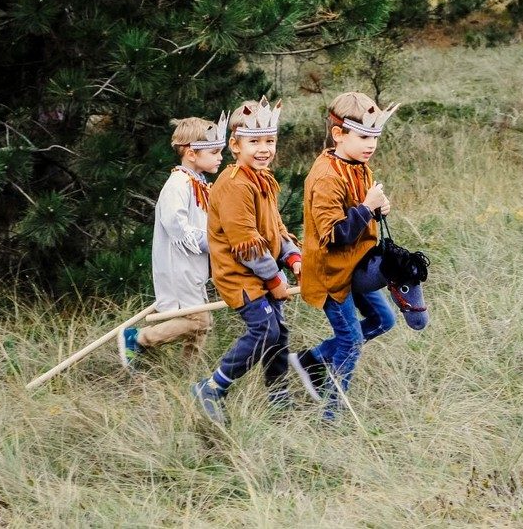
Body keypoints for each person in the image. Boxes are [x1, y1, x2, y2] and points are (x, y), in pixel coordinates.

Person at [191, 97, 302, 423]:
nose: (264, 148)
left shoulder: (262, 178)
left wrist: (293, 256)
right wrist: (274, 279)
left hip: (261, 270)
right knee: (264, 329)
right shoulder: (235, 185)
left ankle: (278, 394)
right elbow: (246, 244)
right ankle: (211, 387)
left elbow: (273, 228)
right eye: (254, 142)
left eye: (270, 141)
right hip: (238, 275)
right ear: (234, 145)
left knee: (278, 331)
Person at [291, 92, 400, 421]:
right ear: (339, 134)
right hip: (331, 274)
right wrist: (366, 207)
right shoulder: (326, 177)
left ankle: (312, 359)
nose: (371, 145)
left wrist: (378, 209)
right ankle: (331, 413)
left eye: (375, 138)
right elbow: (335, 235)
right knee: (351, 341)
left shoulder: (359, 165)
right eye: (364, 137)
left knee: (385, 320)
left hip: (358, 268)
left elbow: (363, 214)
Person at [118, 115, 225, 369]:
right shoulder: (177, 183)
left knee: (201, 323)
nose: (220, 157)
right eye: (214, 151)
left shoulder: (198, 182)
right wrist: (211, 242)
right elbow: (176, 225)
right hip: (179, 265)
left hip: (194, 265)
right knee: (200, 320)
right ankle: (139, 338)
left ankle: (188, 372)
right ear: (191, 153)